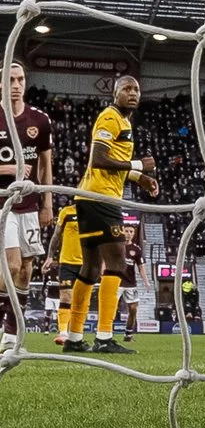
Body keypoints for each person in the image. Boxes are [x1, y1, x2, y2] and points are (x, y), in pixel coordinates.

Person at [65, 75, 154, 355]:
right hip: (101, 197)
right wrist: (139, 163)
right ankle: (104, 337)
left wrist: (138, 177)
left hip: (88, 197)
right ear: (115, 93)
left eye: (136, 89)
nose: (132, 93)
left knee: (90, 269)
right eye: (126, 89)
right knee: (117, 263)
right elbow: (99, 159)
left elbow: (114, 164)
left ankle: (74, 337)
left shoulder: (124, 122)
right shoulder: (110, 117)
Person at [3, 62, 55, 355]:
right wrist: (9, 167)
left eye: (20, 79)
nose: (16, 84)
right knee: (10, 265)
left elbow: (46, 165)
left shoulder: (40, 120)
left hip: (31, 204)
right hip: (2, 204)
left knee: (25, 269)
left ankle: (11, 334)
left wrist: (47, 202)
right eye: (10, 79)